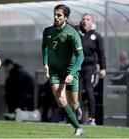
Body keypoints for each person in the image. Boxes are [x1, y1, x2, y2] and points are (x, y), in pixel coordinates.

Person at [42, 4, 84, 135]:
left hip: (70, 70)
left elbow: (80, 56)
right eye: (55, 14)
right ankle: (78, 128)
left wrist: (71, 74)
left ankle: (77, 109)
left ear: (65, 17)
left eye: (59, 15)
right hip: (55, 71)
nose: (56, 17)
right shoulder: (47, 31)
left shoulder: (72, 33)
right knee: (60, 100)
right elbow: (44, 47)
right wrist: (45, 64)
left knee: (74, 103)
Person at [73, 13, 106, 125]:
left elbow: (101, 53)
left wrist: (103, 68)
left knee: (89, 89)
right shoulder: (77, 32)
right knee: (75, 91)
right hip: (77, 65)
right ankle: (76, 118)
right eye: (83, 19)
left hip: (89, 67)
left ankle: (92, 118)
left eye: (88, 19)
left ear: (91, 22)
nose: (85, 21)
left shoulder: (96, 36)